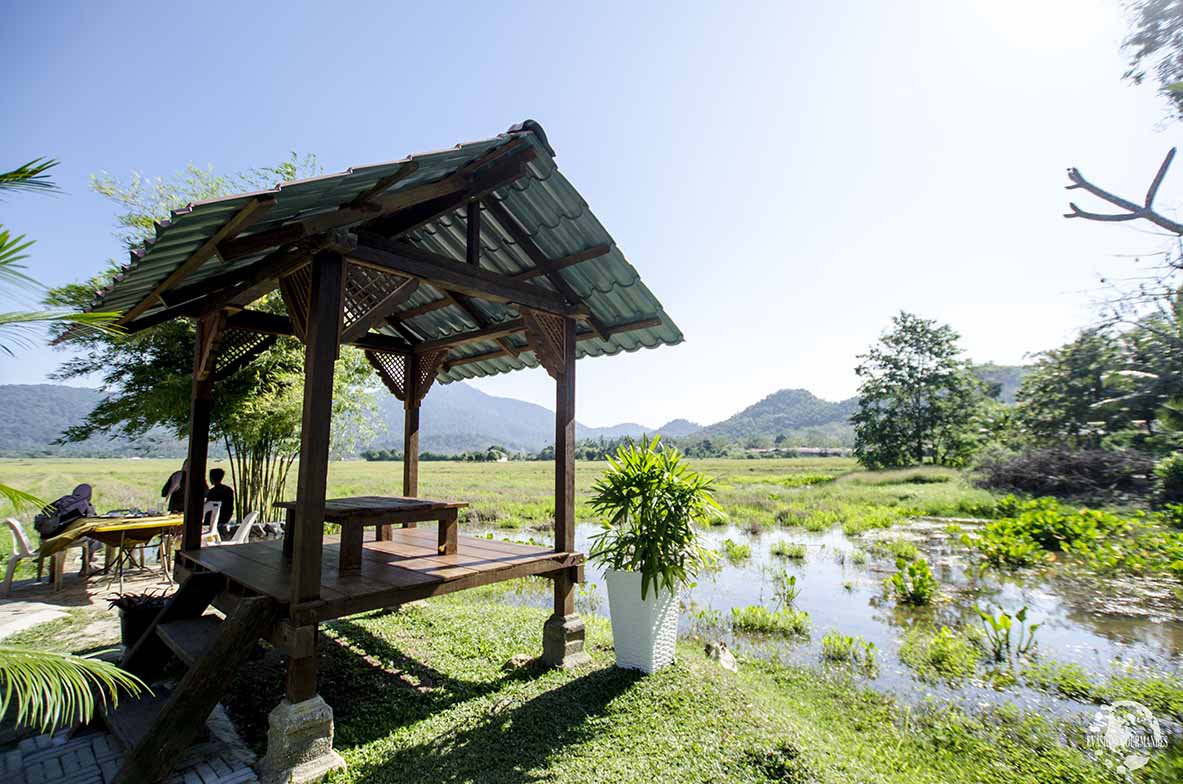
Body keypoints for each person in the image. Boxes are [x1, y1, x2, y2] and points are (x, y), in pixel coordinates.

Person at [205, 468, 235, 538]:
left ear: (211, 478)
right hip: (225, 518)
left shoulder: (212, 492)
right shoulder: (228, 490)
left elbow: (208, 507)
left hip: (212, 520)